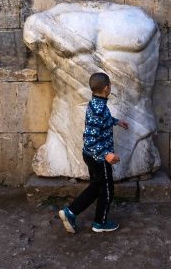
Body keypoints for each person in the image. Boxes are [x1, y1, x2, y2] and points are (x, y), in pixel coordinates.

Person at [59, 72, 129, 233]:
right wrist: (106, 155)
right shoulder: (99, 108)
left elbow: (101, 120)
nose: (110, 88)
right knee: (106, 189)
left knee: (96, 187)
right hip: (99, 158)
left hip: (92, 156)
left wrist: (116, 122)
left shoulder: (96, 104)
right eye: (110, 86)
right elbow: (90, 140)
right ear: (106, 88)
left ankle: (70, 212)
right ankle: (100, 223)